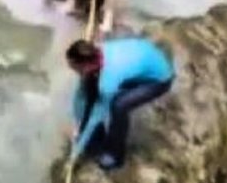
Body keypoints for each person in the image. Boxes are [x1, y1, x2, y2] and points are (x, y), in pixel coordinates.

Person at [67, 37, 174, 171]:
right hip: (147, 59)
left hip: (160, 80)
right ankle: (95, 137)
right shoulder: (97, 51)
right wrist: (78, 123)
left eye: (75, 69)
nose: (75, 72)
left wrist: (76, 152)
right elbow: (80, 94)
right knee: (91, 87)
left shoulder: (108, 80)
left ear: (86, 66)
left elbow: (97, 115)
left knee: (118, 106)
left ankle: (115, 156)